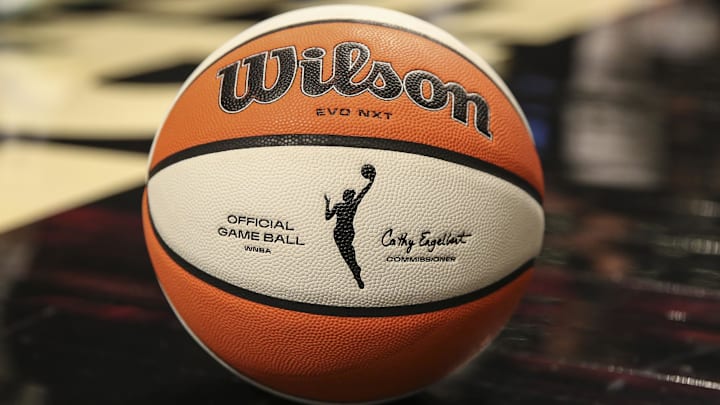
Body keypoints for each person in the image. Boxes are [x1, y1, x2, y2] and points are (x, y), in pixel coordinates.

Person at [324, 165, 375, 289]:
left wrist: (327, 203)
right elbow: (362, 193)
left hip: (340, 232)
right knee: (348, 252)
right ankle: (355, 271)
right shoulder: (352, 205)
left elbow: (327, 216)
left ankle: (355, 270)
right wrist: (371, 181)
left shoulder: (339, 206)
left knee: (347, 252)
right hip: (346, 231)